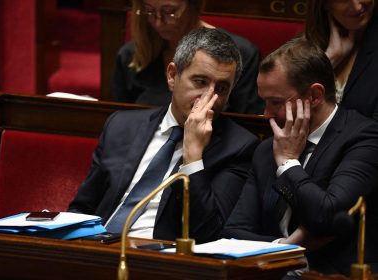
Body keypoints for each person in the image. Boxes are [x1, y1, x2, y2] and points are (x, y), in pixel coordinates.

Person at [69, 27, 259, 243]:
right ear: (172, 76)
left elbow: (208, 234)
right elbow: (83, 207)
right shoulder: (121, 126)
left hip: (161, 261)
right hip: (96, 248)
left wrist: (193, 156)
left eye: (222, 88)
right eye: (200, 82)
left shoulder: (238, 148)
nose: (210, 97)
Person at [221, 37, 378, 277]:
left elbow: (326, 215)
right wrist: (285, 249)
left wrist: (288, 163)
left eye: (276, 102)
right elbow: (234, 230)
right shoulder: (266, 149)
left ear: (314, 96)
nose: (266, 115)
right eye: (264, 102)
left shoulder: (364, 139)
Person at [111, 0, 263, 114]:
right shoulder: (131, 55)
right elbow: (120, 122)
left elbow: (246, 126)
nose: (158, 22)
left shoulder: (240, 54)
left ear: (194, 5)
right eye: (149, 11)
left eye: (169, 12)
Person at [305, 0, 378, 120]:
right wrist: (329, 59)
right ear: (324, 4)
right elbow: (286, 109)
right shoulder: (307, 44)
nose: (357, 6)